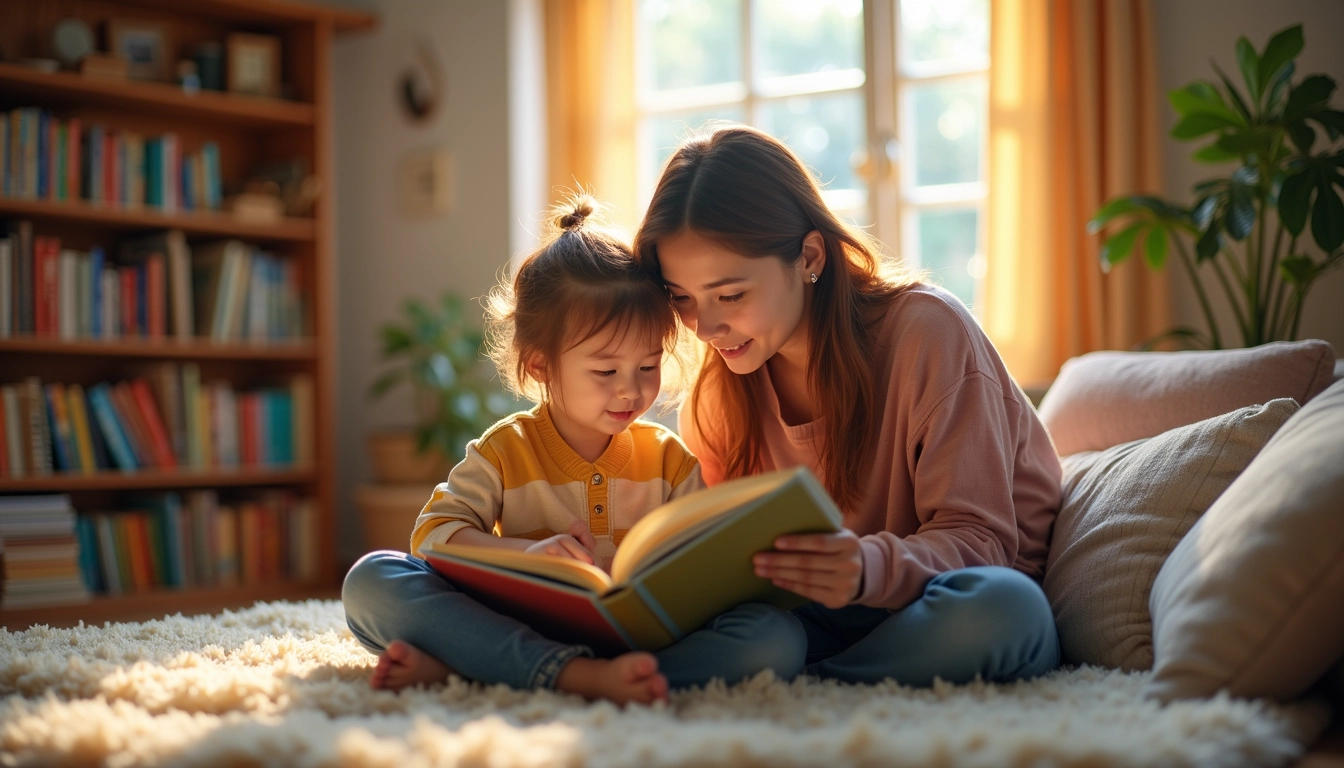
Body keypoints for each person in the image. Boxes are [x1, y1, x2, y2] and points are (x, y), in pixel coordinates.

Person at [633, 125, 1063, 687]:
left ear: (809, 255)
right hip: (813, 618)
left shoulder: (927, 333)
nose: (705, 327)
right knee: (762, 638)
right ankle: (605, 675)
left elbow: (982, 541)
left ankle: (812, 684)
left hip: (941, 603)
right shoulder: (721, 391)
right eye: (682, 298)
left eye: (730, 295)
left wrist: (864, 569)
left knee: (1007, 610)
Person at [341, 196, 803, 705]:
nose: (631, 390)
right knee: (374, 579)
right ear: (540, 365)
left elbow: (702, 564)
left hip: (642, 637)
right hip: (522, 626)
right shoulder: (504, 450)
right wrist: (527, 555)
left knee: (777, 635)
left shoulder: (670, 459)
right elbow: (433, 538)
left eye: (647, 367)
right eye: (606, 371)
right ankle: (570, 675)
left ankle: (484, 669)